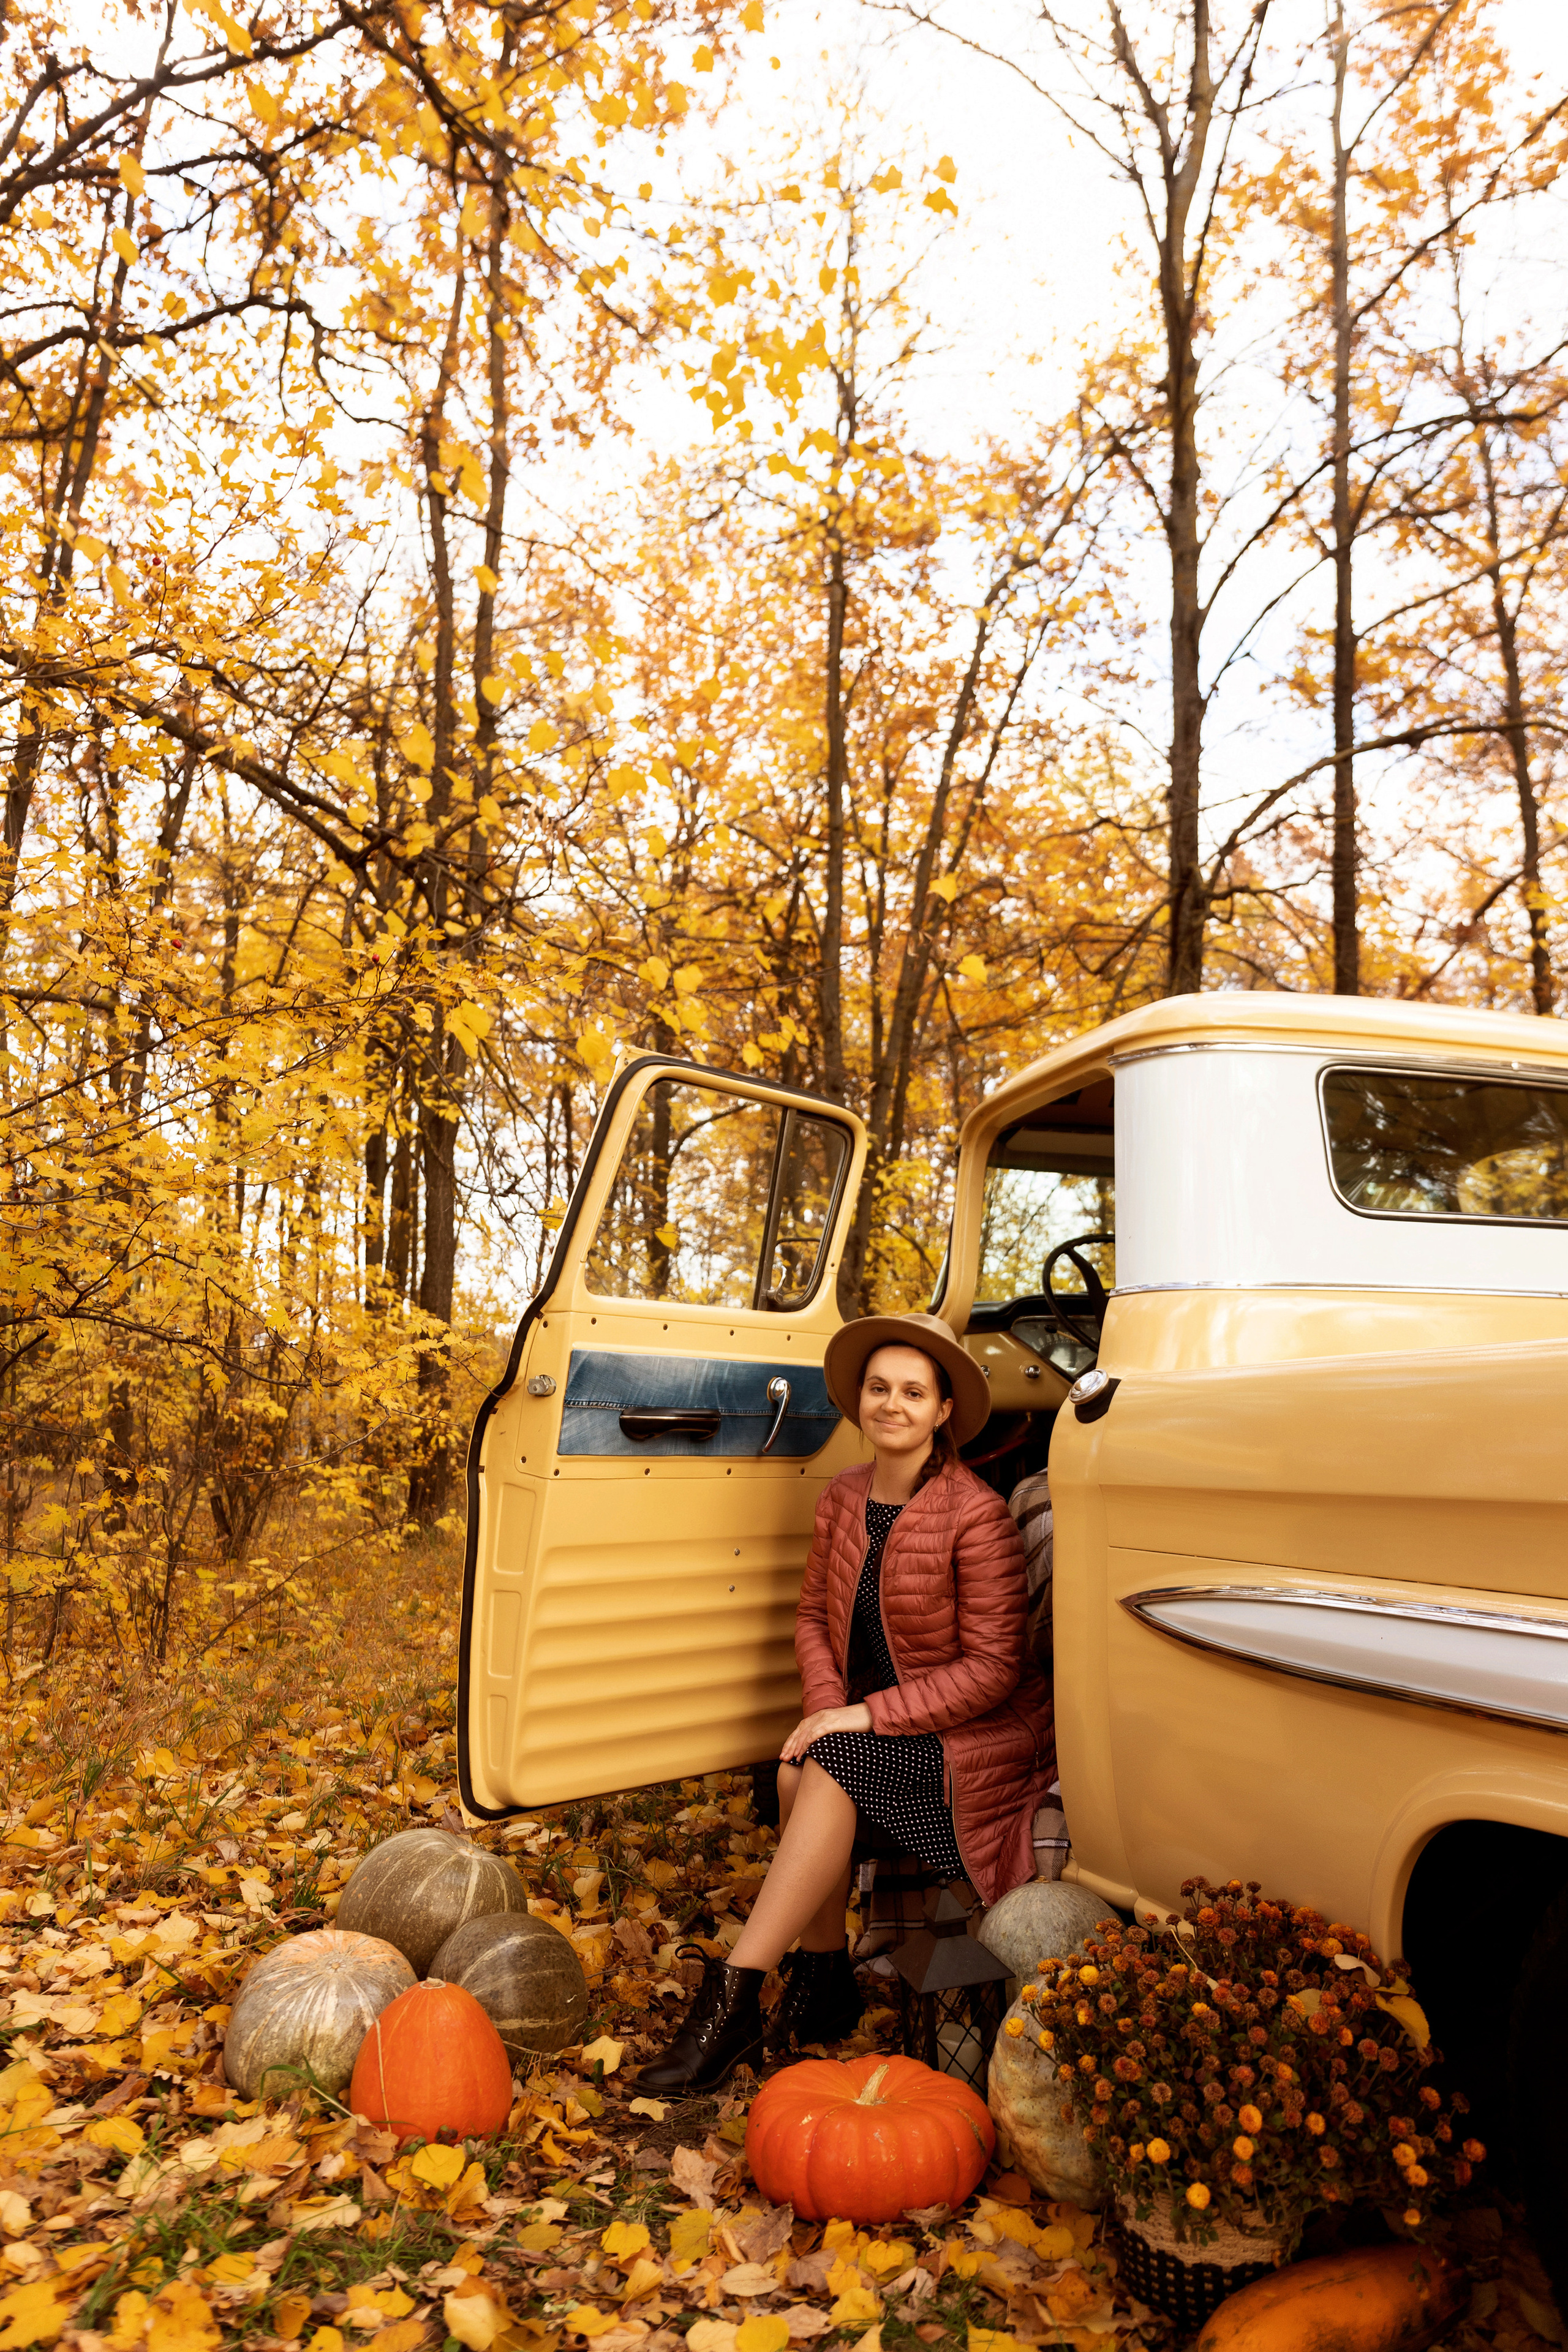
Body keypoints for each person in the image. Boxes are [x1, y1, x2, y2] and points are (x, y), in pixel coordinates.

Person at [636, 1310, 1055, 2092]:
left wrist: (859, 1717)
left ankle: (733, 1997)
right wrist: (827, 1706)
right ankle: (823, 1978)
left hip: (977, 1739)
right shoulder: (842, 1498)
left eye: (912, 1392)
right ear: (859, 1400)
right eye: (878, 1388)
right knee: (799, 1768)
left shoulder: (977, 1515)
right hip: (877, 1727)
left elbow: (995, 1670)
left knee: (821, 1766)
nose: (891, 1404)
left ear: (943, 1412)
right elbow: (812, 1621)